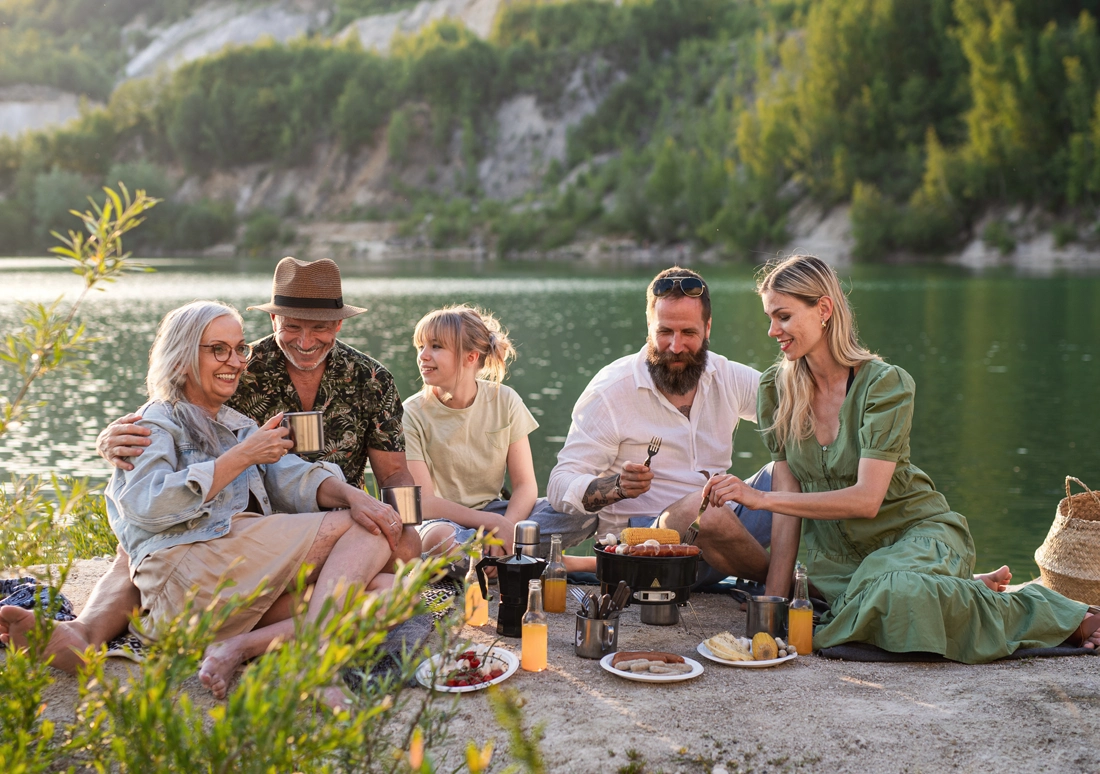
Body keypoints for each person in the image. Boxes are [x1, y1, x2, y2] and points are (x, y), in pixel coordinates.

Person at [0, 258, 420, 675]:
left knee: (392, 581)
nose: (306, 340)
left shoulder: (370, 378)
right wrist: (109, 440)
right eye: (293, 326)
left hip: (297, 529)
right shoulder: (243, 367)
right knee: (135, 546)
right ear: (274, 319)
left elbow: (392, 474)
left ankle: (239, 643)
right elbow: (157, 450)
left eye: (320, 327)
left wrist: (397, 521)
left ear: (339, 325)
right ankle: (87, 631)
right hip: (228, 535)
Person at [703, 254, 1100, 660]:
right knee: (879, 601)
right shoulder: (777, 389)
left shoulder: (884, 385)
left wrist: (760, 498)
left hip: (918, 537)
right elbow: (788, 510)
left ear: (823, 309)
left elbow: (866, 500)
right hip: (841, 567)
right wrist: (773, 606)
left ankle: (1055, 613)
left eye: (783, 316)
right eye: (770, 318)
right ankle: (959, 589)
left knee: (892, 592)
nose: (773, 331)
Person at [110, 301, 400, 698]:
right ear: (180, 358)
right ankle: (316, 657)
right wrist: (242, 457)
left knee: (388, 591)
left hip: (225, 597)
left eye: (238, 349)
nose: (234, 361)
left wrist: (354, 496)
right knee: (366, 529)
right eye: (218, 350)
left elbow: (294, 478)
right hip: (186, 578)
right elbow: (147, 506)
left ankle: (238, 646)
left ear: (336, 326)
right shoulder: (154, 423)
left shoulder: (239, 425)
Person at [546, 267, 775, 587]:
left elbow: (795, 413)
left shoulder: (728, 376)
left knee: (787, 472)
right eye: (665, 332)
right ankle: (787, 584)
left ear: (708, 328)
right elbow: (559, 484)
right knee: (701, 507)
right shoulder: (611, 390)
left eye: (689, 333)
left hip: (719, 535)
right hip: (647, 551)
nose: (676, 346)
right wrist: (617, 487)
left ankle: (810, 572)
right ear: (648, 326)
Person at [404, 305, 589, 570]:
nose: (423, 355)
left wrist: (507, 528)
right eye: (420, 346)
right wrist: (493, 524)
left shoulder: (506, 400)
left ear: (470, 357)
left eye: (435, 346)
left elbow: (525, 486)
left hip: (497, 513)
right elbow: (425, 503)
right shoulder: (411, 413)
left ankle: (490, 560)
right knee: (441, 540)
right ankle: (536, 560)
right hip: (443, 523)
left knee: (580, 510)